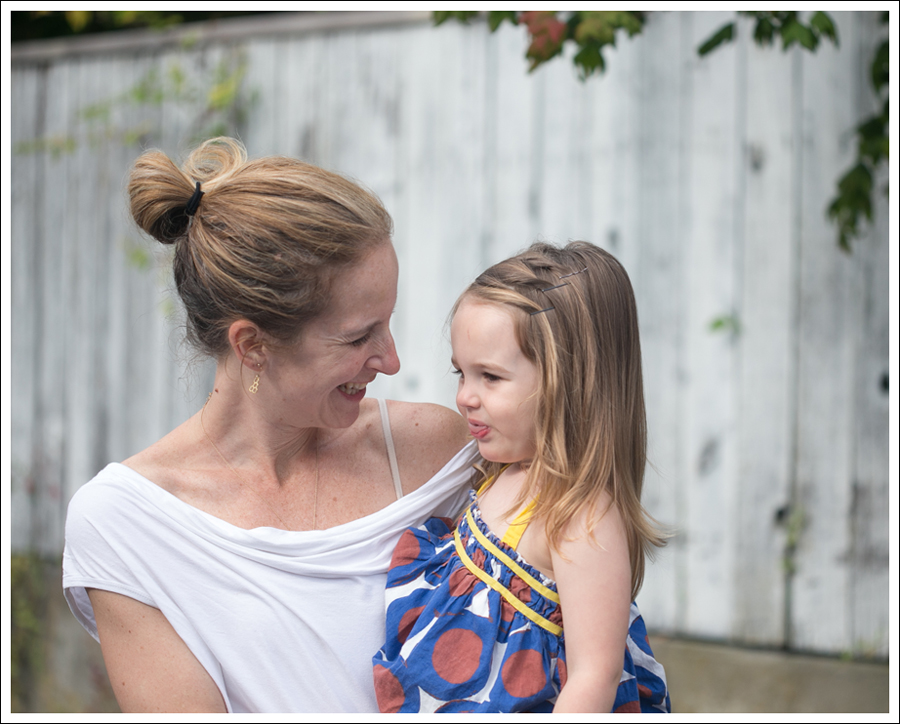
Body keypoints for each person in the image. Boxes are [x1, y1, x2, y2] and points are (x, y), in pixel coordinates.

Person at [62, 137, 477, 713]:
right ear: (252, 345)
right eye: (359, 337)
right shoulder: (126, 524)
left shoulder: (435, 452)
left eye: (387, 323)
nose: (391, 361)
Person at [373, 241, 671, 713]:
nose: (465, 396)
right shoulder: (501, 472)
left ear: (568, 383)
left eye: (490, 377)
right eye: (461, 373)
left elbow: (595, 676)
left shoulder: (578, 516)